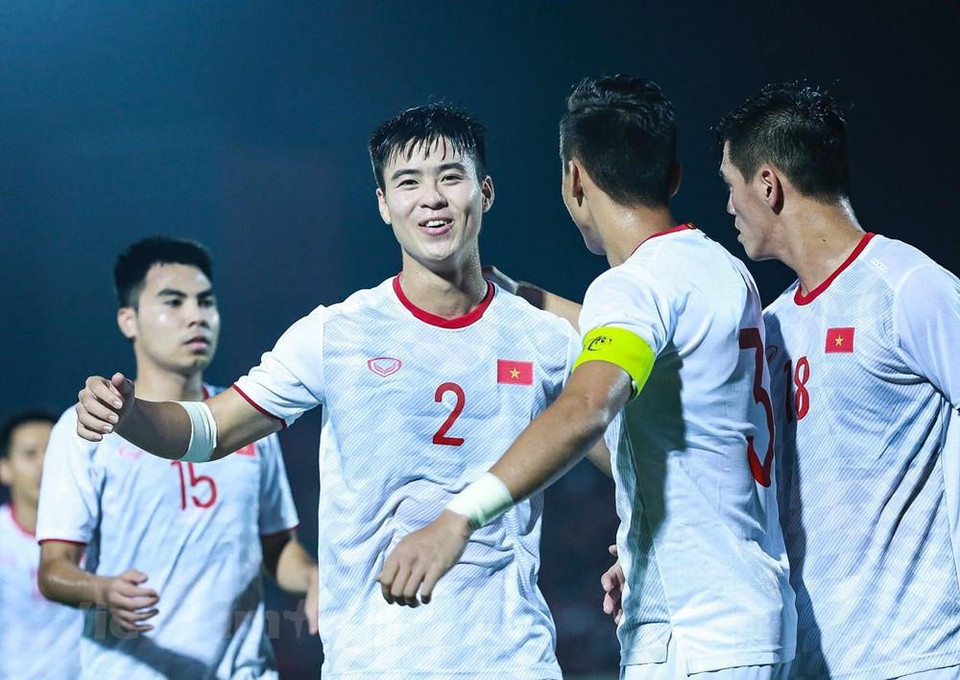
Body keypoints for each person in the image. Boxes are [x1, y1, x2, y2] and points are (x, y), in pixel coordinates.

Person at [72, 105, 611, 678]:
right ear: (383, 204)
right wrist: (131, 415)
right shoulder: (337, 333)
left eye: (450, 177)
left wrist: (632, 539)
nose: (431, 198)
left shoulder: (542, 335)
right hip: (375, 660)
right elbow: (209, 430)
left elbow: (615, 443)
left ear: (486, 191)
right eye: (408, 182)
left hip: (511, 660)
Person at [380, 76, 796, 679]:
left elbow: (586, 407)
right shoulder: (720, 268)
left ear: (574, 180)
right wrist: (521, 295)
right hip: (753, 609)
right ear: (673, 177)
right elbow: (641, 355)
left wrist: (458, 518)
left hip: (695, 632)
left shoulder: (633, 286)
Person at [716, 82, 960, 679]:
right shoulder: (772, 327)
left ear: (768, 185)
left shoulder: (907, 288)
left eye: (730, 185)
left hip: (914, 656)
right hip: (811, 660)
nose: (728, 208)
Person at [37, 236, 317, 679]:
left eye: (206, 302)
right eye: (174, 302)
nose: (196, 316)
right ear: (128, 320)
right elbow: (54, 571)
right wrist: (101, 590)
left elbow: (279, 552)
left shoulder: (248, 420)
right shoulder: (90, 427)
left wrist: (315, 578)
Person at [0, 409, 82, 679]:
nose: (43, 464)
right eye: (29, 454)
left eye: (51, 451)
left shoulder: (95, 534)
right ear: (4, 468)